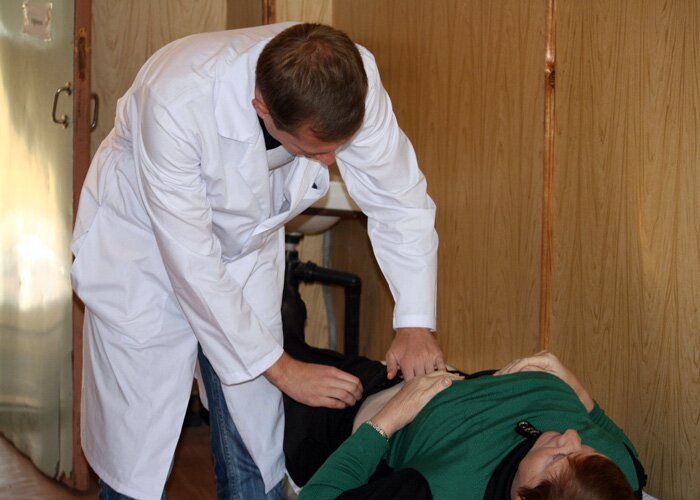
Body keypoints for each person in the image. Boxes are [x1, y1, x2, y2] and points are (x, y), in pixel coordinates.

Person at [71, 22, 443, 500]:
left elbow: (399, 199)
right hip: (144, 254)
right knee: (136, 456)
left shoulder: (352, 79)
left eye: (337, 147)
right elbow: (193, 265)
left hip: (246, 249)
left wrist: (414, 323)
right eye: (315, 150)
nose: (331, 163)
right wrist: (286, 370)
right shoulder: (175, 100)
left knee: (252, 435)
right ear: (262, 108)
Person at [284, 348, 647, 500]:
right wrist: (580, 393)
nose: (570, 436)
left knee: (271, 367)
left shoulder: (439, 490)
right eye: (585, 447)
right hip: (429, 374)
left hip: (352, 408)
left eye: (558, 457)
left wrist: (387, 420)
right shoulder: (615, 476)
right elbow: (625, 450)